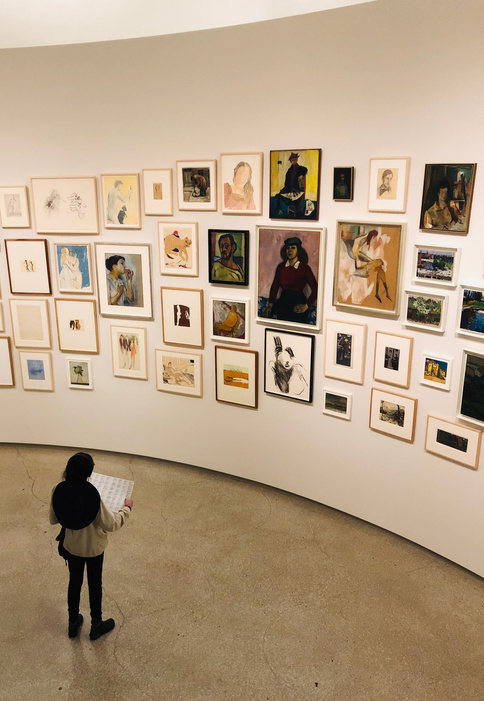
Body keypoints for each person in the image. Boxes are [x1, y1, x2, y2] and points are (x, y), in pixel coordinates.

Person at [49, 452, 133, 640]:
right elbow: (111, 524)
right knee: (95, 584)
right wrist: (127, 509)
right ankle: (96, 625)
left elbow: (53, 519)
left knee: (74, 583)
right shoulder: (92, 494)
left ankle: (72, 624)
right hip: (94, 550)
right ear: (89, 473)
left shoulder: (58, 489)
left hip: (72, 547)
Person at [264, 236, 318, 324]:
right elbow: (275, 285)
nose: (289, 250)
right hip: (283, 302)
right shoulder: (281, 267)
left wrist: (306, 306)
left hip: (298, 303)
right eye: (288, 248)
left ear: (298, 250)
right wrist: (270, 305)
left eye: (293, 248)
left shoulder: (304, 268)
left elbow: (316, 289)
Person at [351, 229, 391, 303]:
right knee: (379, 264)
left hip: (366, 269)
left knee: (380, 267)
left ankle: (381, 293)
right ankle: (383, 292)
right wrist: (365, 236)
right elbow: (358, 253)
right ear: (372, 237)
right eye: (375, 237)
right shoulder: (364, 246)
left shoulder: (371, 246)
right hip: (362, 269)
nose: (376, 239)